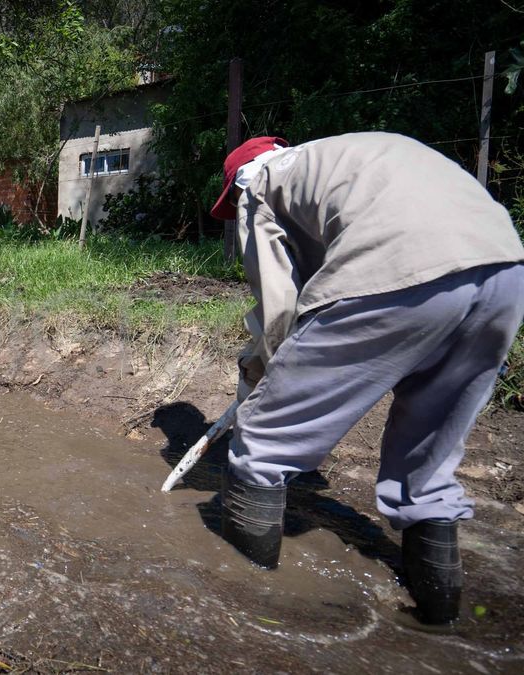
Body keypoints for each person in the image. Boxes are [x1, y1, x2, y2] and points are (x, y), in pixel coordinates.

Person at [211, 132, 524, 624]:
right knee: (428, 465)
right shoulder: (344, 156)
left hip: (401, 261)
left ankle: (246, 611)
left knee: (264, 440)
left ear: (236, 184)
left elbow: (278, 311)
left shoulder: (259, 181)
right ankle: (438, 622)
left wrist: (260, 386)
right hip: (504, 271)